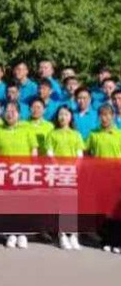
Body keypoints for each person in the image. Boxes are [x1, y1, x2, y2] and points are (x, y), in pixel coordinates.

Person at [0, 102, 38, 249]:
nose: (10, 113)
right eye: (7, 110)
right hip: (5, 173)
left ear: (19, 114)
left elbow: (34, 151)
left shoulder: (27, 129)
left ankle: (22, 234)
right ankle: (11, 234)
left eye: (13, 111)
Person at [45, 106, 85, 251]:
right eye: (61, 114)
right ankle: (62, 235)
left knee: (73, 205)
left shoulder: (76, 134)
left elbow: (80, 155)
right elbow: (50, 154)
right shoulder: (52, 134)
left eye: (66, 114)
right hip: (58, 173)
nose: (63, 117)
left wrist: (74, 169)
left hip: (73, 173)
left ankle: (73, 235)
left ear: (71, 117)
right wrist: (59, 169)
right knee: (61, 205)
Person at [86, 105, 121, 253]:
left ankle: (117, 241)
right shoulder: (93, 134)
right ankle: (105, 240)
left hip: (117, 177)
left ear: (113, 116)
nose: (104, 118)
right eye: (102, 115)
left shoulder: (119, 134)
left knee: (117, 211)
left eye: (107, 115)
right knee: (103, 210)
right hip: (100, 177)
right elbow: (87, 153)